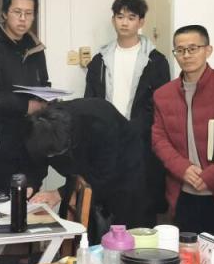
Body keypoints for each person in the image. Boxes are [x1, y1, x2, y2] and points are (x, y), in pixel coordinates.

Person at [152, 25, 214, 248]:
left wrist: (212, 175)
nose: (186, 55)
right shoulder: (163, 95)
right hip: (183, 194)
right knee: (187, 259)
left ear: (208, 50)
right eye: (180, 50)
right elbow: (159, 139)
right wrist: (183, 168)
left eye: (193, 48)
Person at [84, 0, 171, 215]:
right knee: (105, 206)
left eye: (131, 18)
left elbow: (160, 105)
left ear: (141, 22)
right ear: (113, 20)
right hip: (106, 140)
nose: (124, 22)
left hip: (140, 142)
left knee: (138, 206)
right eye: (120, 17)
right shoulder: (99, 60)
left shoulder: (156, 61)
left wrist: (135, 129)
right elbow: (90, 101)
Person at [26, 98, 155, 242]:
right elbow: (35, 162)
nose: (52, 158)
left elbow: (103, 176)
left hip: (124, 167)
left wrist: (59, 193)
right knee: (83, 229)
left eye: (55, 154)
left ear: (69, 141)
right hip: (92, 167)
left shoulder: (98, 122)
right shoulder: (38, 127)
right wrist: (30, 185)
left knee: (124, 233)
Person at [0, 0, 50, 191]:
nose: (23, 19)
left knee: (30, 196)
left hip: (32, 137)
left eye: (28, 13)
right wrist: (25, 106)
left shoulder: (36, 48)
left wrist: (46, 98)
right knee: (2, 199)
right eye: (17, 12)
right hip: (0, 140)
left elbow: (44, 81)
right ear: (4, 13)